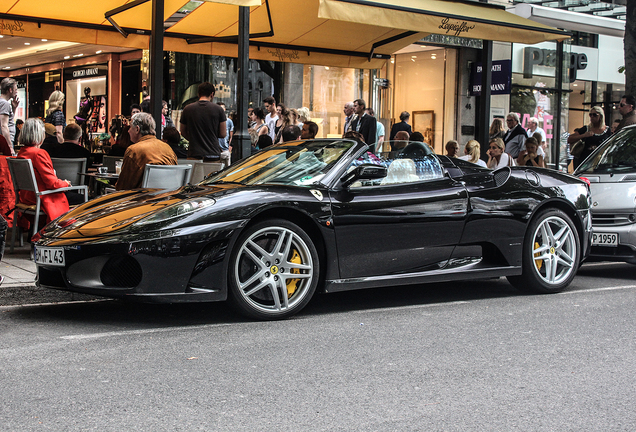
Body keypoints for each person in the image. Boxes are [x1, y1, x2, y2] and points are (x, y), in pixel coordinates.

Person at [16, 118, 72, 223]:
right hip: (41, 198)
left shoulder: (22, 153)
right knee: (81, 198)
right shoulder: (39, 153)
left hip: (26, 197)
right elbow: (52, 184)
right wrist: (65, 184)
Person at [116, 113, 177, 190]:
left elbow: (123, 187)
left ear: (137, 129)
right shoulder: (168, 149)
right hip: (167, 198)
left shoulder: (134, 151)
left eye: (130, 127)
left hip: (141, 200)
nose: (128, 131)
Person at [179, 82, 227, 161]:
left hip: (194, 152)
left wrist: (193, 139)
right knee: (213, 173)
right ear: (212, 94)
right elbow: (223, 134)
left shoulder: (187, 109)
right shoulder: (218, 109)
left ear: (198, 94)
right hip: (213, 152)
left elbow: (183, 131)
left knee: (195, 173)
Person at [0, 77, 19, 155]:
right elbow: (4, 125)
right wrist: (10, 146)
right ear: (10, 90)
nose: (16, 92)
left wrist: (13, 108)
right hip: (6, 141)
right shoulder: (5, 104)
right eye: (15, 89)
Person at [217, 102, 233, 166]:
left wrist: (230, 147)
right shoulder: (215, 120)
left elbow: (231, 135)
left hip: (226, 148)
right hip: (217, 149)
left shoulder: (229, 121)